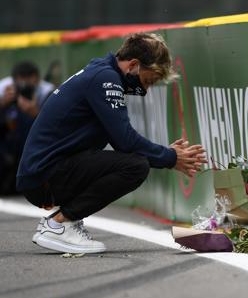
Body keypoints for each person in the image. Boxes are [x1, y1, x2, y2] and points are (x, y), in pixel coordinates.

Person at [17, 32, 207, 254]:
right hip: (44, 176)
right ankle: (59, 224)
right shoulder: (105, 78)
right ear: (134, 65)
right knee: (135, 166)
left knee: (128, 161)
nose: (145, 90)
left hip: (43, 173)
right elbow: (125, 141)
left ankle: (65, 220)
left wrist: (166, 155)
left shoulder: (101, 72)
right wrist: (170, 157)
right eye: (148, 81)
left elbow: (122, 142)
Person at [0, 61, 54, 194]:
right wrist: (2, 104)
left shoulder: (47, 92)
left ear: (36, 79)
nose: (24, 87)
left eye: (28, 81)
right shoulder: (5, 90)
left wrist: (35, 113)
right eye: (20, 82)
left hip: (34, 144)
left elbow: (55, 127)